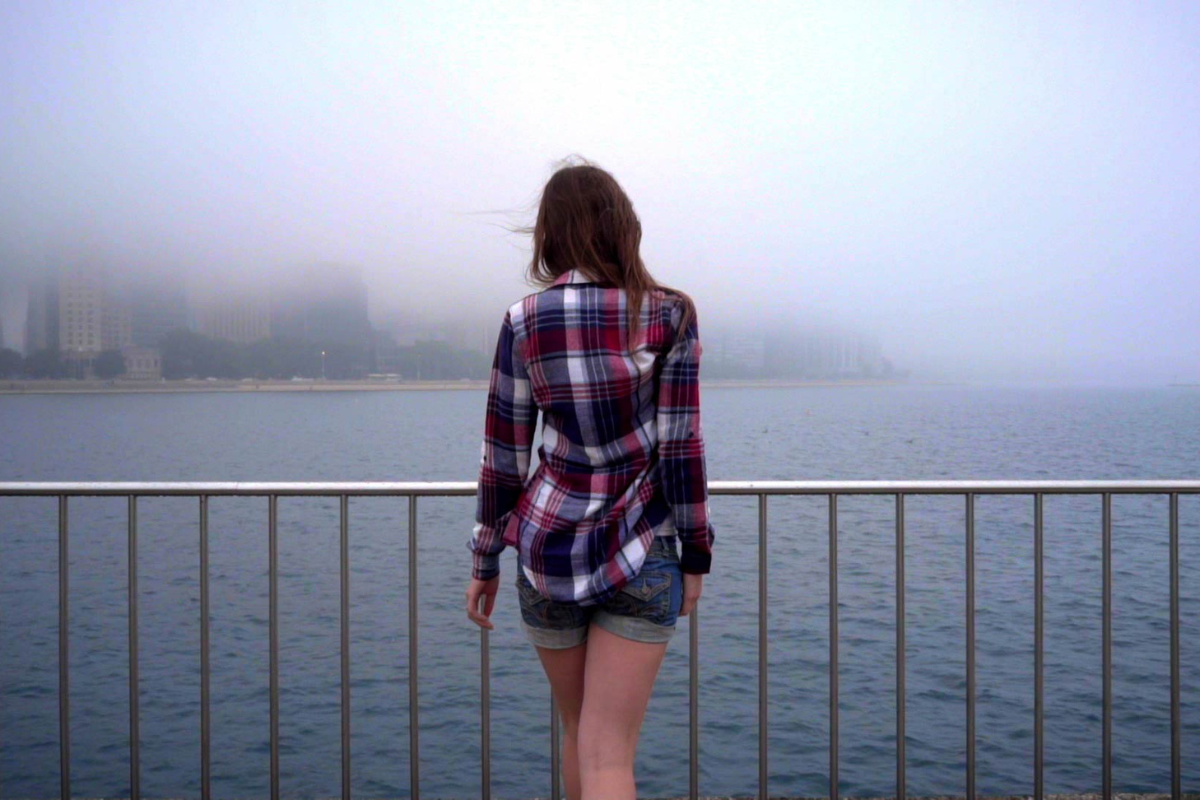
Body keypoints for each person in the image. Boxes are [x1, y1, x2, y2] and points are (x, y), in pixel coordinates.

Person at [464, 159, 716, 800]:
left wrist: (485, 558)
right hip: (641, 548)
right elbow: (681, 448)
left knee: (580, 734)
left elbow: (503, 457)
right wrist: (696, 554)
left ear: (550, 233)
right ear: (622, 225)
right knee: (610, 755)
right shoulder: (669, 314)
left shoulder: (524, 319)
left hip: (547, 550)